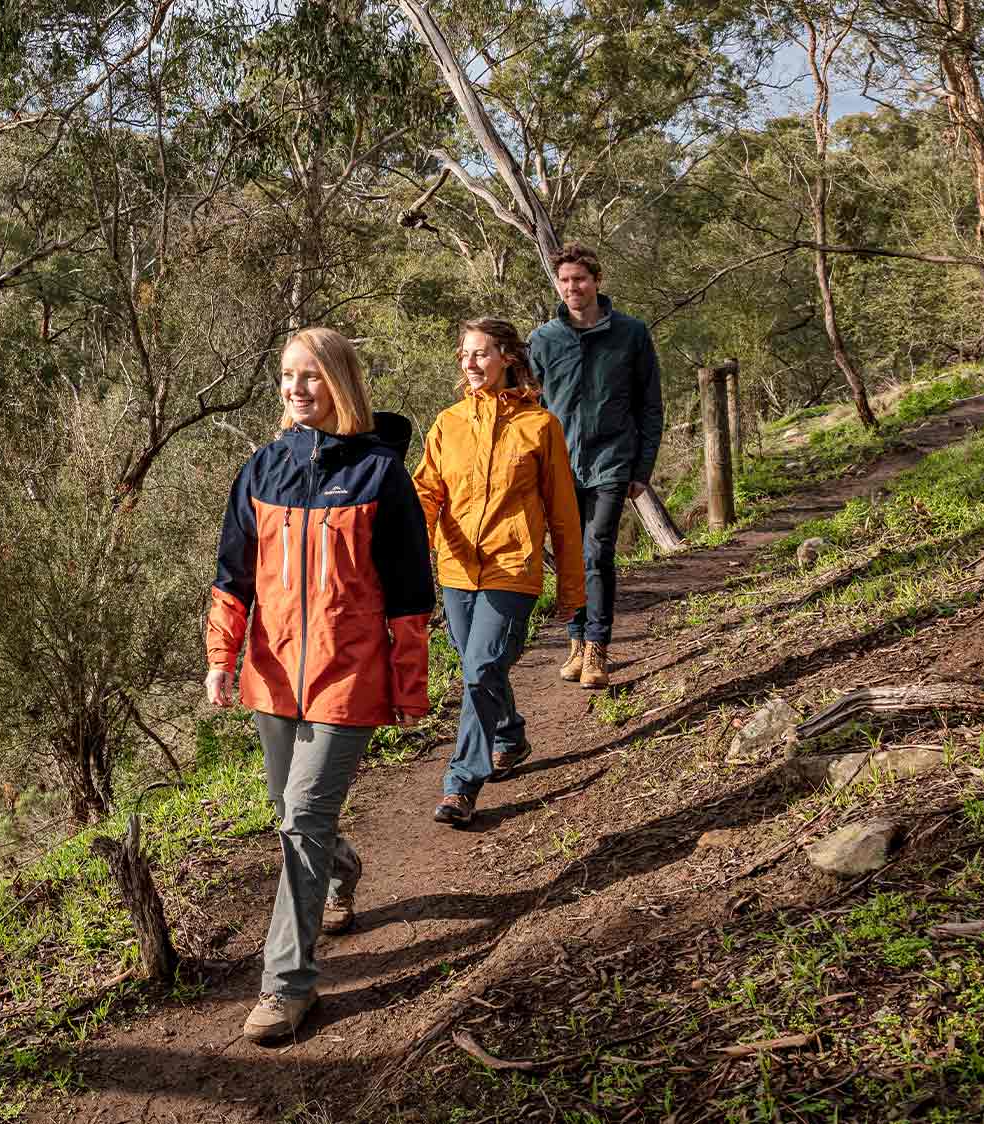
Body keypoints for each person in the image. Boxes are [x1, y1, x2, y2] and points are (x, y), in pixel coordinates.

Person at [204, 326, 434, 1044]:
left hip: (349, 676)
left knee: (300, 818)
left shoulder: (379, 475)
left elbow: (407, 594)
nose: (296, 389)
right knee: (291, 812)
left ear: (340, 383)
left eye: (310, 376)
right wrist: (221, 656)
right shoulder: (262, 470)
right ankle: (342, 869)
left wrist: (408, 686)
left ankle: (286, 987)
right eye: (286, 376)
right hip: (273, 675)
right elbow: (233, 576)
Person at [412, 318, 584, 826]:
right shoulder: (448, 424)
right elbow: (426, 493)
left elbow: (563, 514)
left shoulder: (540, 426)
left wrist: (572, 588)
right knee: (477, 667)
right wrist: (412, 553)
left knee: (483, 665)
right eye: (464, 353)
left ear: (507, 357)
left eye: (480, 353)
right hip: (457, 569)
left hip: (513, 565)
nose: (469, 362)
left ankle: (461, 783)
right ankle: (508, 733)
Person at [528, 243, 665, 689]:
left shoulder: (631, 333)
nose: (573, 288)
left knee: (597, 549)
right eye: (565, 281)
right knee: (570, 555)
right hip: (559, 464)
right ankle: (574, 640)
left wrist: (641, 470)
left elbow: (650, 405)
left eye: (580, 279)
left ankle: (597, 648)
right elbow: (530, 409)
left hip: (612, 461)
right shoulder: (543, 340)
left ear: (597, 281)